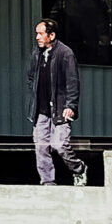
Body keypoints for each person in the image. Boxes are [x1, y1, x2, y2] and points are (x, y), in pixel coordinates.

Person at [26, 16, 80, 184]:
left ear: (52, 35)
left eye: (41, 34)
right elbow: (31, 78)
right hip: (41, 109)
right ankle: (47, 182)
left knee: (60, 145)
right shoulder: (37, 53)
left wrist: (70, 105)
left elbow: (73, 82)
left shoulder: (65, 53)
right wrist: (33, 99)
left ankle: (79, 169)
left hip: (60, 109)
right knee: (41, 147)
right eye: (36, 33)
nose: (37, 37)